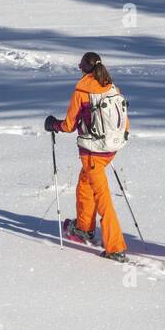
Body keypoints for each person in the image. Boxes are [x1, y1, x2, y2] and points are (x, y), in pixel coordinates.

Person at [44, 52, 129, 262]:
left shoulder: (82, 91)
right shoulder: (111, 87)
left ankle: (115, 247)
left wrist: (53, 124)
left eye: (80, 65)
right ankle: (84, 227)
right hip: (111, 148)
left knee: (103, 198)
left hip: (93, 153)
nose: (79, 67)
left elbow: (69, 125)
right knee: (85, 183)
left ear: (84, 68)